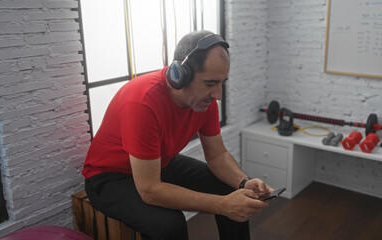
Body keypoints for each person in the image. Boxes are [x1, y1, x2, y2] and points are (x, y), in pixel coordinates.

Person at [82, 30, 274, 240]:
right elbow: (149, 189)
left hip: (158, 163)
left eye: (222, 82)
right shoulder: (141, 102)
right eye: (210, 83)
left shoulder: (204, 100)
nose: (218, 95)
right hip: (109, 177)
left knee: (231, 190)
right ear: (179, 75)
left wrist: (244, 181)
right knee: (169, 225)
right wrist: (222, 205)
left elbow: (217, 156)